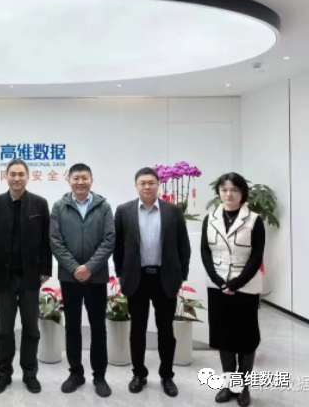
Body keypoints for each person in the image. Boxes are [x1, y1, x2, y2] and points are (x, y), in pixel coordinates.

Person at [113, 167, 191, 397]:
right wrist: (121, 273)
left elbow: (183, 246)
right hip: (136, 279)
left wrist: (181, 276)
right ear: (136, 186)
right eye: (142, 183)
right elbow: (117, 247)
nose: (147, 187)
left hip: (164, 278)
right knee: (137, 330)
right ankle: (139, 373)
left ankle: (167, 376)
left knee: (166, 330)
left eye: (151, 183)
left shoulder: (173, 211)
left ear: (158, 185)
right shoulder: (124, 211)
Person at [0, 159, 52, 395]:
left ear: (27, 177)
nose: (17, 178)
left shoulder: (39, 204)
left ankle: (30, 373)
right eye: (13, 174)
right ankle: (3, 373)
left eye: (21, 174)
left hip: (31, 277)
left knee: (31, 328)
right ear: (6, 176)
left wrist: (46, 269)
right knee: (4, 329)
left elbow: (46, 240)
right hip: (4, 277)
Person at [50, 163, 115, 398]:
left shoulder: (103, 206)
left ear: (91, 180)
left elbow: (109, 239)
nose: (80, 182)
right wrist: (75, 268)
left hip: (96, 278)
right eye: (76, 178)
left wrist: (89, 267)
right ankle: (76, 373)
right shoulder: (59, 207)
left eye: (84, 178)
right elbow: (55, 241)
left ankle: (99, 376)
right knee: (72, 327)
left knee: (98, 327)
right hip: (70, 278)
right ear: (69, 180)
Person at [201, 172, 264, 407]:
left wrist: (235, 283)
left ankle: (244, 387)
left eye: (234, 190)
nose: (229, 194)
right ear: (219, 192)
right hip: (217, 286)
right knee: (224, 337)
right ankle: (230, 385)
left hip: (245, 287)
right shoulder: (210, 218)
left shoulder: (255, 220)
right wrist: (219, 281)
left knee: (246, 339)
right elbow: (205, 251)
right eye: (224, 189)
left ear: (242, 193)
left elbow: (257, 256)